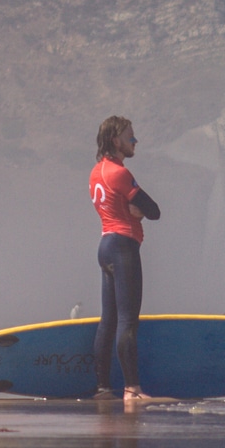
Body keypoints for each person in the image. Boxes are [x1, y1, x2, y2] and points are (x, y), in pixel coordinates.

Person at [89, 115, 161, 404]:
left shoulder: (96, 171)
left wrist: (133, 209)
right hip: (123, 248)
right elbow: (154, 210)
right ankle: (133, 390)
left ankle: (102, 388)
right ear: (116, 140)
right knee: (128, 322)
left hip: (105, 245)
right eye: (131, 136)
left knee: (108, 321)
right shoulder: (120, 173)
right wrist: (139, 211)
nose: (135, 141)